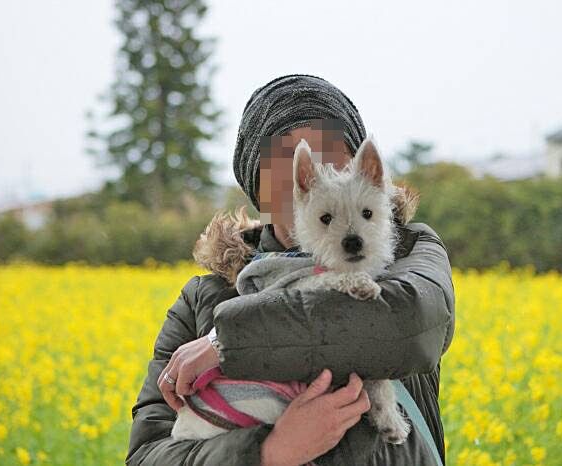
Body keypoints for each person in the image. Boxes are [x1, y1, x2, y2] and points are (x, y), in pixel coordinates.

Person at [125, 74, 455, 466]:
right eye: (285, 155)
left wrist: (226, 344)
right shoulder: (203, 299)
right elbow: (148, 455)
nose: (314, 168)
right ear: (255, 179)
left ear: (364, 169)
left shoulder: (410, 251)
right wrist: (270, 452)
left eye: (332, 149)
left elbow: (405, 325)